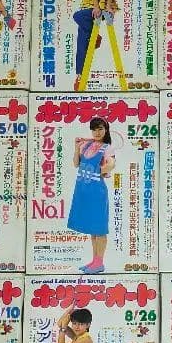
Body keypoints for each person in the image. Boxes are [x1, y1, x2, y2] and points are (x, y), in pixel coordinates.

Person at [67, 117, 116, 273]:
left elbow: (111, 164)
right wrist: (76, 148)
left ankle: (99, 263)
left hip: (97, 192)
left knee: (99, 229)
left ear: (106, 130)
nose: (97, 132)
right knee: (93, 230)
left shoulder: (107, 148)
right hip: (83, 191)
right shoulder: (86, 145)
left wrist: (101, 169)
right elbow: (76, 164)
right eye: (94, 129)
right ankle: (95, 261)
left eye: (100, 129)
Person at [73, 0, 122, 89]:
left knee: (79, 20)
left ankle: (80, 75)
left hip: (107, 7)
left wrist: (107, 5)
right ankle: (80, 76)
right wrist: (95, 6)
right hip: (91, 6)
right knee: (82, 37)